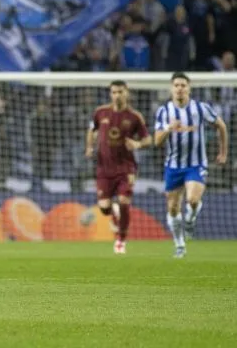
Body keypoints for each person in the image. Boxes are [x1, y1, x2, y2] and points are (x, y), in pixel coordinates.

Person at [154, 72, 228, 258]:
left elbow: (221, 126)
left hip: (196, 164)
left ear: (189, 88)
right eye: (176, 85)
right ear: (171, 88)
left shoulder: (200, 108)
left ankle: (191, 217)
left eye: (183, 85)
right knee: (172, 208)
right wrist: (169, 129)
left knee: (193, 200)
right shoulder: (164, 111)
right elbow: (157, 141)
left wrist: (223, 152)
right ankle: (180, 245)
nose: (179, 88)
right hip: (173, 166)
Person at [85, 80, 151, 254]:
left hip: (126, 168)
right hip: (104, 169)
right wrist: (89, 147)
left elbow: (148, 139)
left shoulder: (134, 117)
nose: (117, 95)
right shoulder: (100, 112)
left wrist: (137, 144)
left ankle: (121, 240)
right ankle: (113, 212)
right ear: (110, 94)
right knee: (104, 207)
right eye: (114, 92)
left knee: (124, 201)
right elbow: (91, 130)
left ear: (127, 93)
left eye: (120, 92)